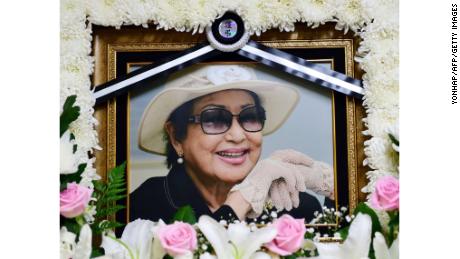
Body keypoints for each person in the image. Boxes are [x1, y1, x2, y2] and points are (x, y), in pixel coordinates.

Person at [130, 64, 334, 223]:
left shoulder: (296, 207)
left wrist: (329, 183)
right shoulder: (143, 206)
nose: (237, 135)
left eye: (249, 116)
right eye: (214, 118)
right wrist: (243, 198)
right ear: (176, 137)